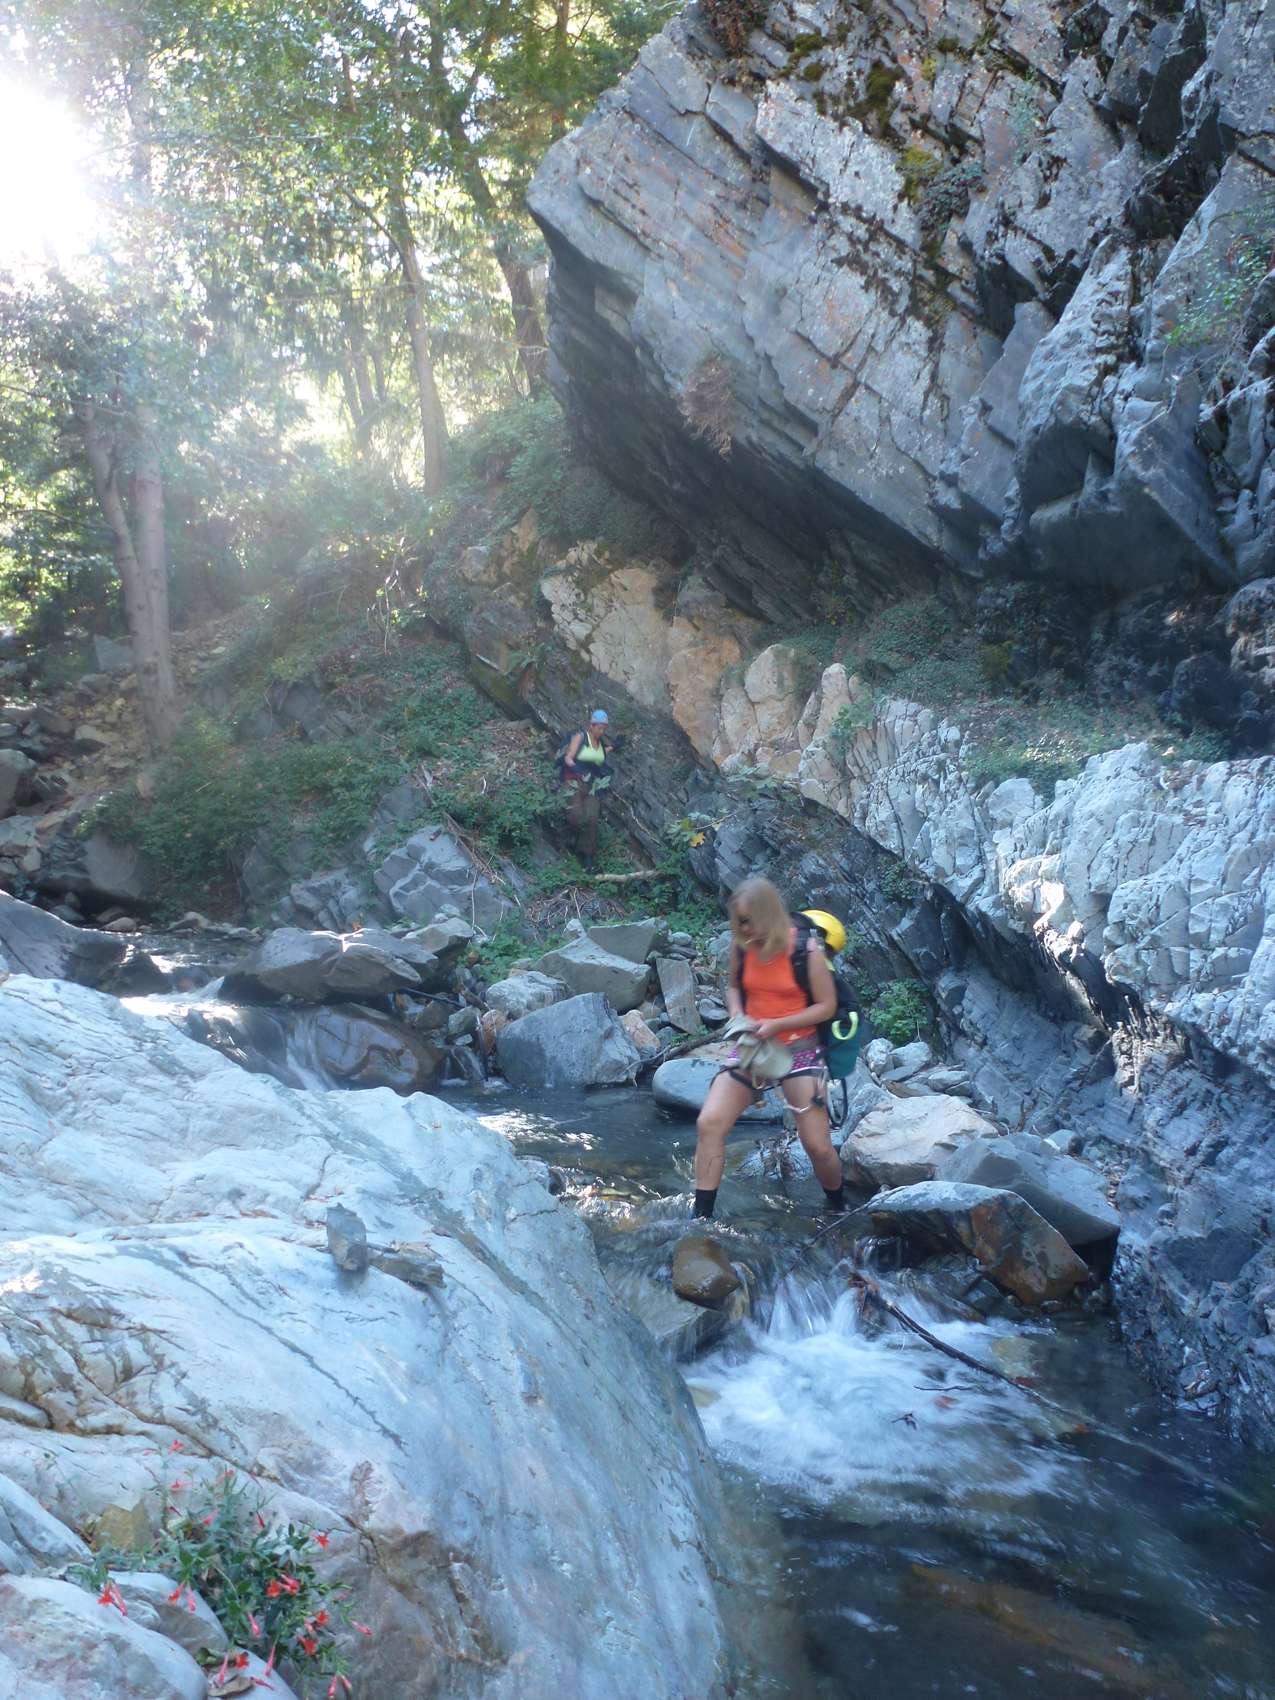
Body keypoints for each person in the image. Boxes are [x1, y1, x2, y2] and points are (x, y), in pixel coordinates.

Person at [692, 877, 846, 1220]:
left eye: (749, 920)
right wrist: (737, 1015)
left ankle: (838, 1209)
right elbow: (734, 987)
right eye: (739, 922)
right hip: (754, 1048)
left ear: (769, 914)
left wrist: (777, 1025)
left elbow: (827, 1007)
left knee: (818, 1147)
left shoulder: (806, 950)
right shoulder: (742, 946)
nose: (743, 929)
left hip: (801, 1049)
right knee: (710, 1123)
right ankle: (701, 1218)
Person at [560, 709, 614, 867]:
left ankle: (587, 857)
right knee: (576, 814)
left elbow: (601, 754)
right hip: (574, 781)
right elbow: (568, 758)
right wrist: (578, 770)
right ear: (592, 726)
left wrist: (614, 746)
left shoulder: (600, 744)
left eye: (604, 729)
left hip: (591, 785)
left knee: (592, 817)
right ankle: (571, 837)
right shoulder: (581, 737)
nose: (601, 731)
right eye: (599, 728)